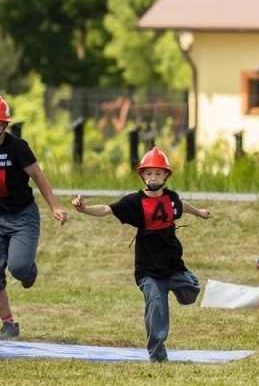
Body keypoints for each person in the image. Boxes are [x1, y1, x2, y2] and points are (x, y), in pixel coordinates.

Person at [71, 148, 207, 361]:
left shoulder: (171, 198)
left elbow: (181, 206)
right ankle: (158, 355)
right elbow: (107, 209)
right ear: (142, 175)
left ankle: (181, 284)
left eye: (158, 173)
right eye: (149, 173)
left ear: (166, 176)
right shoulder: (133, 202)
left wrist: (199, 213)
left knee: (192, 291)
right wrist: (84, 209)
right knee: (156, 307)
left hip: (173, 265)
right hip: (148, 269)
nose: (154, 177)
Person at [0, 96, 68, 341]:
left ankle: (29, 271)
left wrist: (54, 207)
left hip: (23, 216)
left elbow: (38, 176)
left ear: (4, 126)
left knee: (18, 267)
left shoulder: (17, 147)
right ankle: (8, 324)